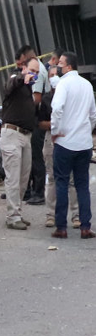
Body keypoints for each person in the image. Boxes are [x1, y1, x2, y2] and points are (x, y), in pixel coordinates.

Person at [50, 52, 96, 239]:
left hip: (65, 142)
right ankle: (86, 226)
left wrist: (55, 131)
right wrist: (87, 130)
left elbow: (57, 109)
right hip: (84, 143)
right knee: (82, 185)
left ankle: (61, 227)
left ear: (68, 66)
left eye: (60, 63)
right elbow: (93, 114)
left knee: (61, 182)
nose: (58, 67)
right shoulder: (87, 85)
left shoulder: (64, 84)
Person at [0, 55, 39, 230]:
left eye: (37, 72)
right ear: (23, 68)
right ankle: (13, 216)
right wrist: (24, 77)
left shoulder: (28, 89)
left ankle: (17, 212)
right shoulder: (16, 79)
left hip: (25, 136)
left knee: (23, 177)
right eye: (32, 70)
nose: (34, 75)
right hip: (12, 134)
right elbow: (11, 84)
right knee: (13, 178)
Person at [39, 74, 79, 228]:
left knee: (72, 179)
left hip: (70, 136)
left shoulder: (72, 96)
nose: (54, 78)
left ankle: (76, 215)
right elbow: (40, 123)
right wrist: (55, 124)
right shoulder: (47, 99)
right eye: (51, 76)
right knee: (52, 177)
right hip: (52, 138)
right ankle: (51, 215)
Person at [26, 45, 50, 206]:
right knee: (32, 154)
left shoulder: (38, 71)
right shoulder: (38, 68)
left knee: (36, 155)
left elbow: (36, 99)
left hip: (38, 118)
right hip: (37, 117)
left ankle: (39, 192)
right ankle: (31, 190)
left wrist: (23, 110)